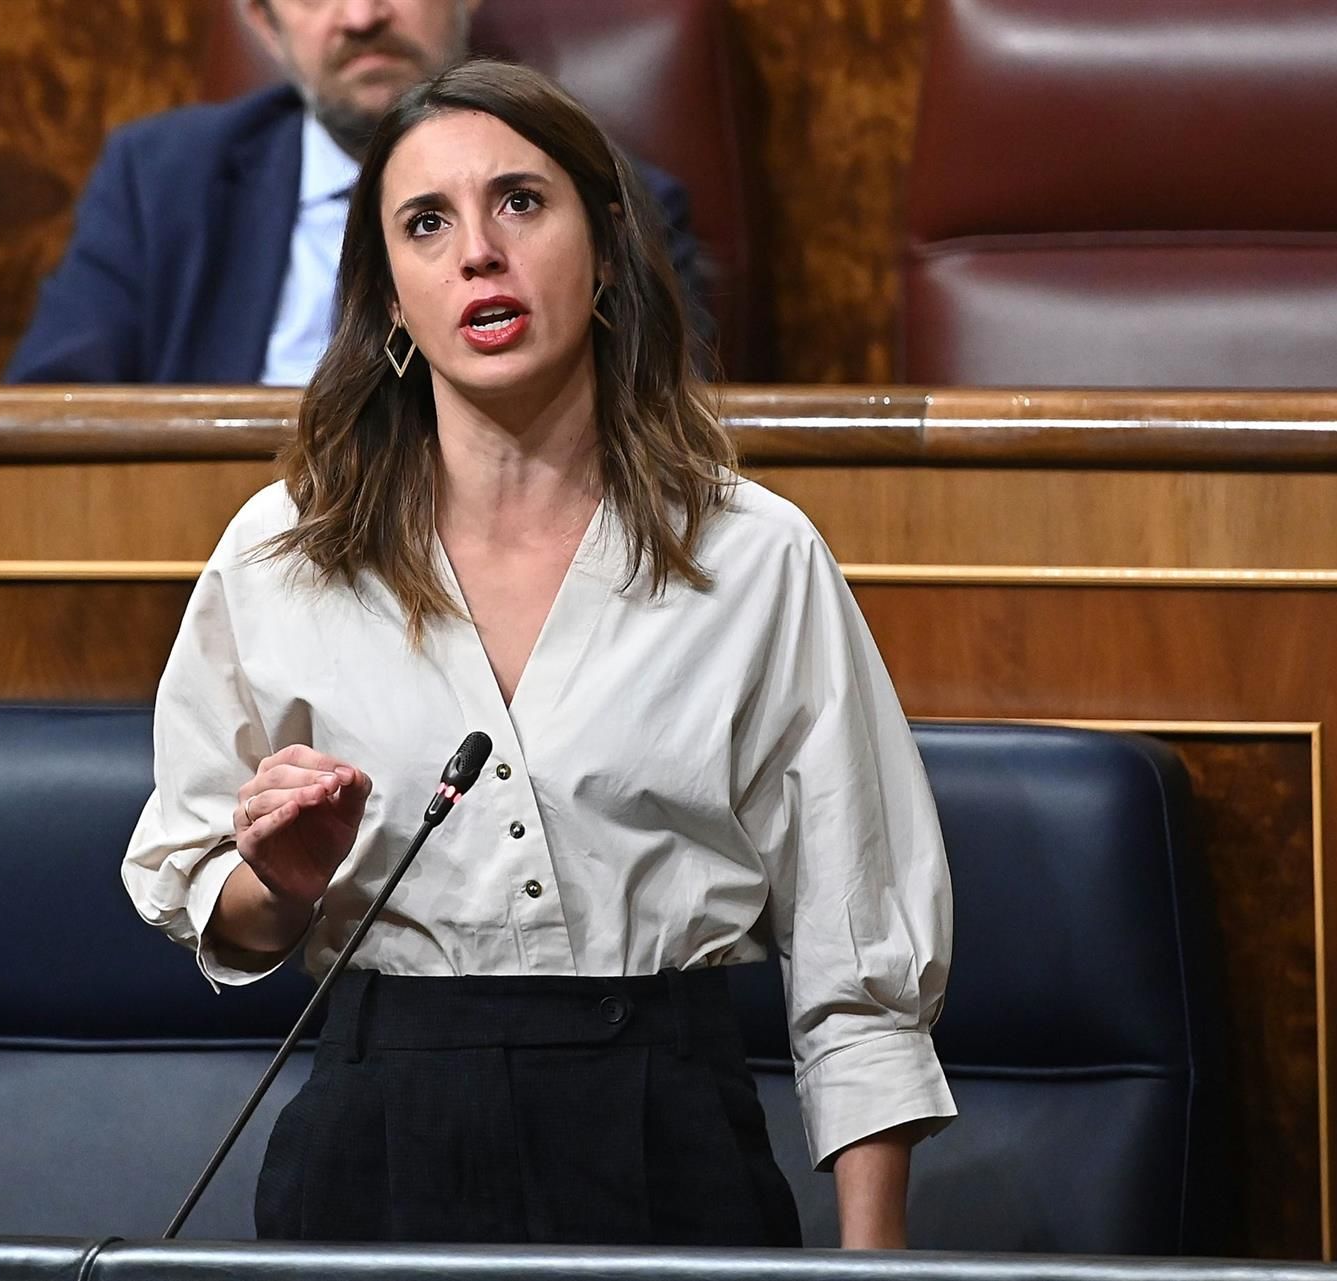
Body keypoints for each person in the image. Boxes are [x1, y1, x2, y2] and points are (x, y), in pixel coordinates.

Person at [122, 60, 953, 1248]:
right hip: (376, 1147)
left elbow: (860, 973)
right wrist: (287, 879)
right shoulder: (282, 553)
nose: (478, 253)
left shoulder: (756, 558)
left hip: (666, 1139)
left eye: (520, 201)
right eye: (427, 223)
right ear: (391, 299)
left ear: (607, 251)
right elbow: (215, 909)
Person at [5, 0, 702, 386]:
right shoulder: (158, 180)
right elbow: (51, 425)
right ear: (261, 22)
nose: (362, 15)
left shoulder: (607, 195)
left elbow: (660, 421)